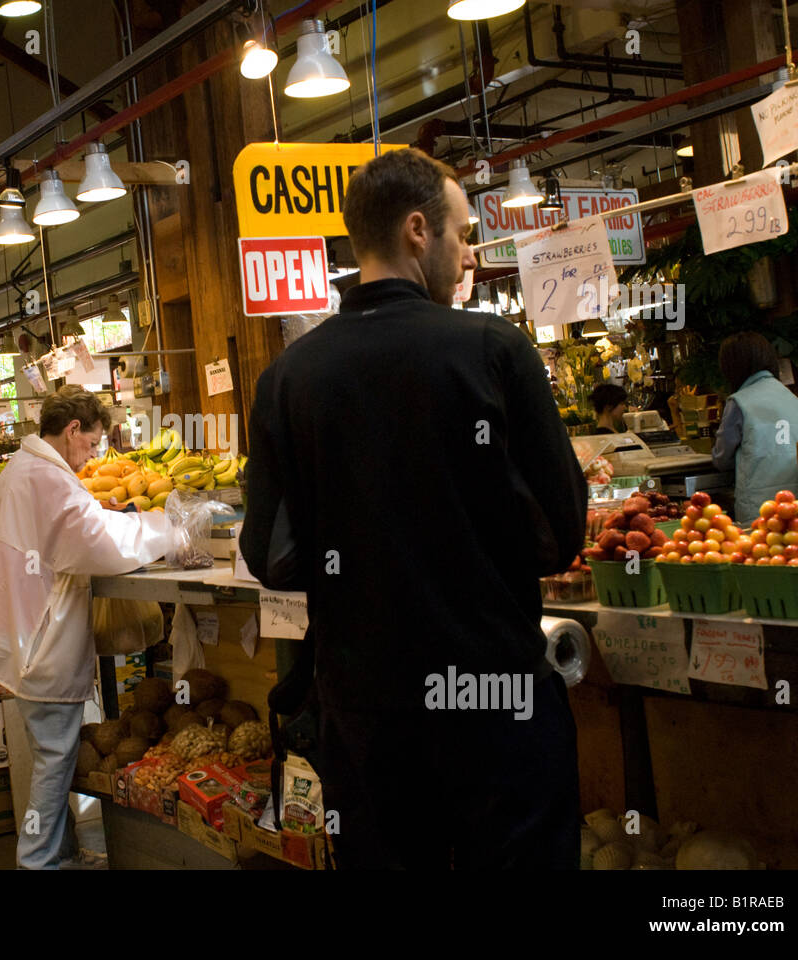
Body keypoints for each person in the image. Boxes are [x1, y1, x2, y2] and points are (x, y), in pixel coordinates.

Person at [240, 148, 587, 870]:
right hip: (498, 698)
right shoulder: (494, 349)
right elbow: (562, 535)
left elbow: (270, 559)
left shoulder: (286, 380)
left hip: (367, 713)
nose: (468, 259)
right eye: (463, 236)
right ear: (418, 231)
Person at [0, 385, 178, 869]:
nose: (92, 456)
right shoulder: (48, 479)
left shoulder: (17, 472)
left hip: (26, 637)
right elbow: (97, 545)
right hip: (44, 640)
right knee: (54, 763)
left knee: (50, 757)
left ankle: (57, 855)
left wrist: (122, 517)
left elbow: (71, 530)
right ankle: (37, 861)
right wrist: (164, 527)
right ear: (73, 429)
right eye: (92, 444)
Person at [712, 332, 798, 520]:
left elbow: (722, 459)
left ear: (731, 367)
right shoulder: (794, 400)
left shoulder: (740, 402)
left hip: (759, 511)